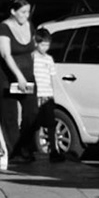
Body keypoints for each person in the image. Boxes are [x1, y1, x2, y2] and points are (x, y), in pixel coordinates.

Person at [0, 0, 36, 161]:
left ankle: (26, 146)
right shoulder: (3, 28)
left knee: (32, 112)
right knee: (8, 114)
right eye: (23, 12)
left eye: (28, 12)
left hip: (28, 73)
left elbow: (33, 49)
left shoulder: (29, 25)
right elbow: (6, 54)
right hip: (7, 75)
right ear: (13, 12)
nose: (26, 15)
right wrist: (19, 77)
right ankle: (13, 150)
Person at [26, 26, 66, 161]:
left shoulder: (49, 59)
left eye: (47, 45)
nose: (45, 48)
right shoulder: (32, 57)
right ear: (36, 43)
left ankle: (54, 150)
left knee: (50, 124)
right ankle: (30, 149)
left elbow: (52, 78)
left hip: (47, 94)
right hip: (35, 95)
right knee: (33, 124)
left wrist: (53, 95)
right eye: (42, 45)